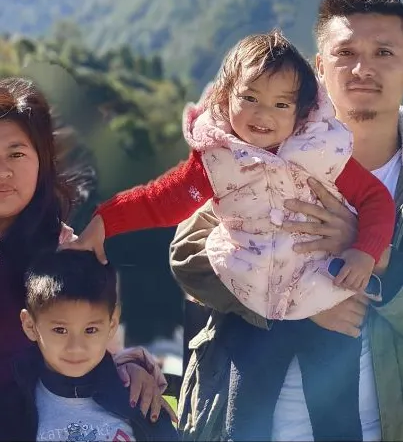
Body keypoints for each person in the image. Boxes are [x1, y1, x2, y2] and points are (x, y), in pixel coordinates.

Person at [71, 30, 394, 440]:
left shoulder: (320, 153)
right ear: (225, 95)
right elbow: (162, 200)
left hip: (324, 299)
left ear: (301, 112)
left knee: (338, 423)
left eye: (281, 104)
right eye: (251, 98)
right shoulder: (217, 160)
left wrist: (364, 253)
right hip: (254, 306)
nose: (264, 114)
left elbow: (375, 200)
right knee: (243, 423)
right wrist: (104, 222)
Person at [170, 0, 403, 442]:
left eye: (384, 52)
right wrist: (294, 304)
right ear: (319, 68)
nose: (362, 68)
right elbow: (188, 254)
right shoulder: (264, 151)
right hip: (245, 422)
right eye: (345, 52)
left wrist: (367, 254)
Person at [0, 76, 174, 423]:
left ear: (43, 160)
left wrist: (128, 367)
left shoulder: (64, 253)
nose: (3, 172)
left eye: (16, 154)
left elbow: (98, 343)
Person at [0, 248, 177, 442]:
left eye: (90, 330)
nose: (76, 347)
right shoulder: (12, 410)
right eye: (60, 330)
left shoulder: (141, 401)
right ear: (30, 325)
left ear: (112, 324)